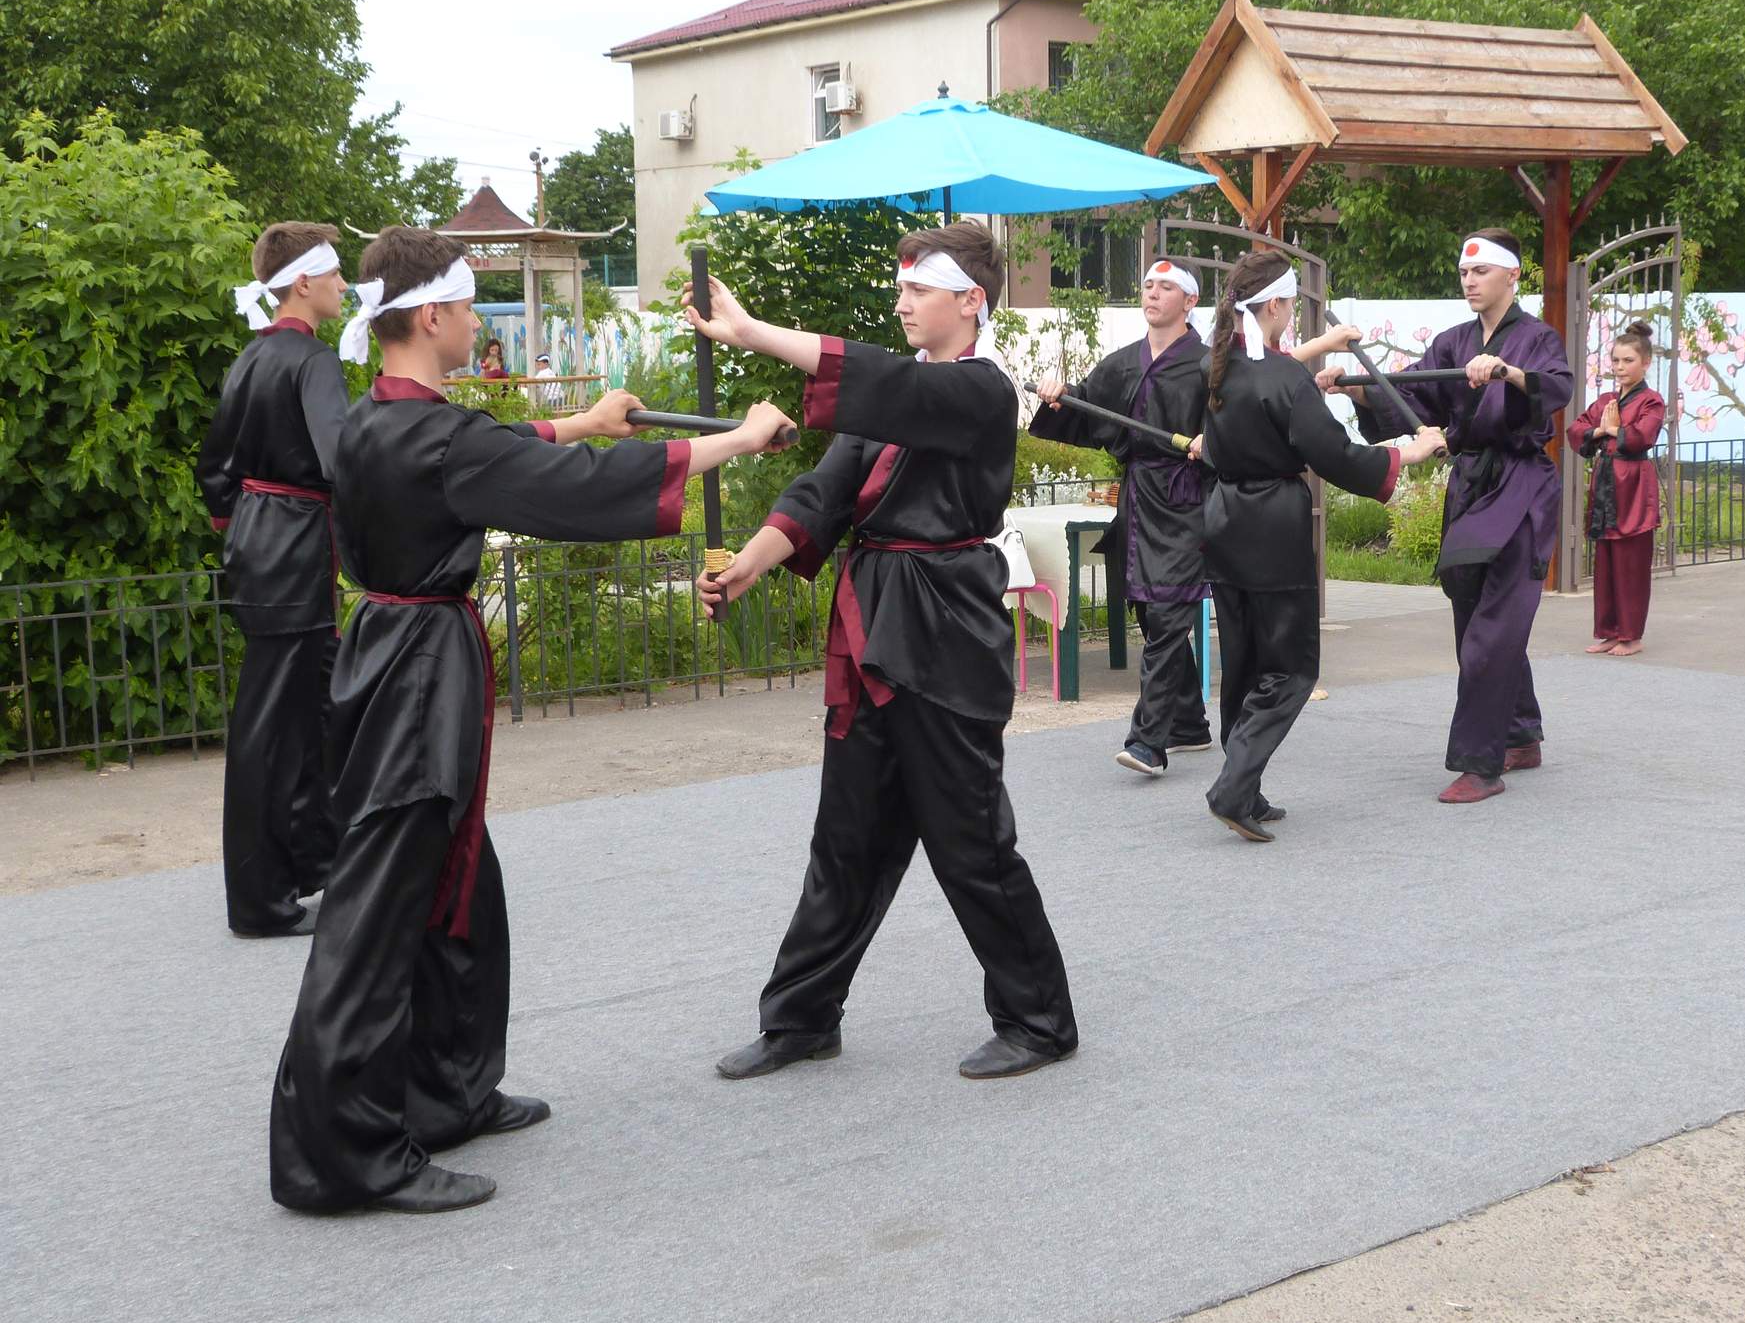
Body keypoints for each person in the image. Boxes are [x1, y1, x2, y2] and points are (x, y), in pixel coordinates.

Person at [269, 225, 794, 1215]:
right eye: (470, 308)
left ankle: (448, 1091)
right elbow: (558, 490)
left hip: (394, 657)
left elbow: (496, 454)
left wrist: (588, 420)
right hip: (419, 677)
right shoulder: (432, 437)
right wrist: (738, 437)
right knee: (382, 908)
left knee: (459, 882)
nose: (477, 323)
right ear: (432, 316)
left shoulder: (376, 421)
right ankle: (344, 1154)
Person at [687, 222, 1078, 1083]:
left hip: (943, 631)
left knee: (970, 839)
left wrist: (751, 334)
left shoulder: (980, 391)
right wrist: (750, 563)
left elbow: (888, 386)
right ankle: (800, 1017)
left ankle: (1039, 1020)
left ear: (971, 300)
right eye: (899, 291)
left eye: (918, 291)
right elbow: (825, 493)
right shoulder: (900, 402)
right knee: (847, 837)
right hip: (874, 624)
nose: (901, 304)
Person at [1318, 228, 1573, 804]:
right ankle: (1521, 733)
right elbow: (1414, 399)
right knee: (1474, 615)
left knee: (1493, 628)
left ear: (1512, 276)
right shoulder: (1453, 342)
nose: (1469, 279)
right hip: (1470, 486)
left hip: (1521, 487)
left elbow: (1556, 387)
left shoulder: (1536, 338)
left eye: (1481, 270)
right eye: (1464, 270)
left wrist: (1506, 372)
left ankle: (1481, 765)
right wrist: (1354, 391)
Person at [1199, 251, 1448, 840]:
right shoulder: (1281, 377)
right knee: (1290, 669)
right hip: (1272, 529)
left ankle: (1247, 788)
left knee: (1243, 666)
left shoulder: (1215, 368)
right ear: (1279, 306)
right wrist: (1408, 452)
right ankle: (1234, 789)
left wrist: (1314, 371)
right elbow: (1335, 455)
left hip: (1224, 523)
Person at [197, 222, 351, 937]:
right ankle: (259, 901)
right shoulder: (312, 362)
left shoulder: (249, 359)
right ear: (303, 282)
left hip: (262, 548)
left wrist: (249, 533)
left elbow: (215, 478)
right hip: (293, 551)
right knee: (274, 730)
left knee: (316, 712)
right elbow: (341, 461)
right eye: (336, 273)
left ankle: (315, 863)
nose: (345, 286)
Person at [1030, 258, 1215, 776]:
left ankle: (1148, 743)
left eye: (1165, 287)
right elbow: (1087, 408)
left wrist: (1213, 441)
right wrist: (1060, 397)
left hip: (1187, 499)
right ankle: (1190, 726)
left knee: (1169, 612)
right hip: (1138, 499)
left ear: (1189, 302)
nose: (1152, 294)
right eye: (1148, 285)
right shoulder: (1123, 362)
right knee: (1150, 612)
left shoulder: (1208, 364)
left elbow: (1235, 421)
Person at [1568, 320, 1666, 656]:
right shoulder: (1607, 399)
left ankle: (1631, 635)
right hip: (1607, 482)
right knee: (1606, 560)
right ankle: (1610, 631)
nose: (1620, 367)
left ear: (1645, 363)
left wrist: (1611, 429)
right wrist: (1600, 431)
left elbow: (1642, 436)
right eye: (1616, 360)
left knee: (1631, 561)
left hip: (1634, 484)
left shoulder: (1652, 401)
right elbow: (1577, 429)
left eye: (1628, 361)